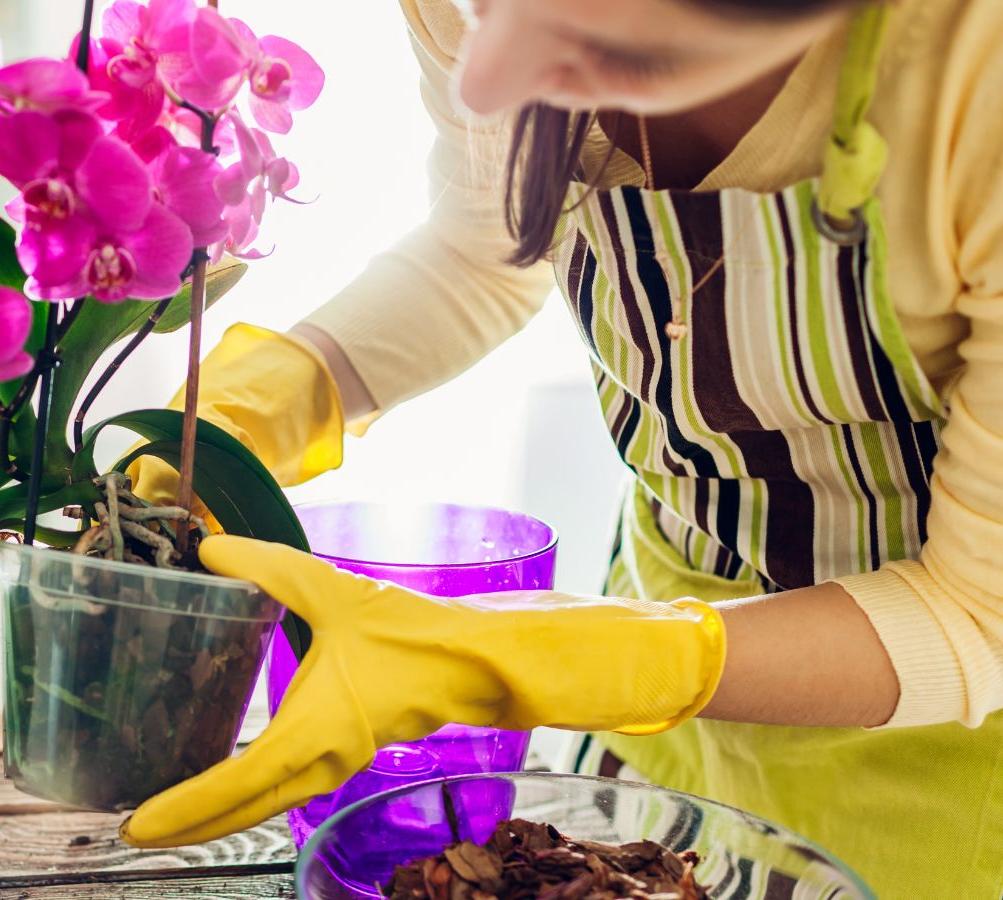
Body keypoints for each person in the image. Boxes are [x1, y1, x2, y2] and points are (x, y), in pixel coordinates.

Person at [116, 0, 1003, 895]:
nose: (484, 76)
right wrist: (261, 407)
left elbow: (978, 614)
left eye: (597, 42)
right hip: (655, 721)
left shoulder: (979, 72)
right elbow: (483, 242)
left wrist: (549, 653)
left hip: (939, 776)